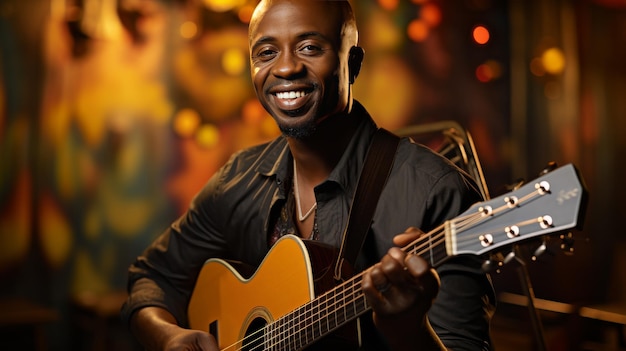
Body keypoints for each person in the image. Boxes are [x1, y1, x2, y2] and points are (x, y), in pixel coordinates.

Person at [121, 0, 496, 350]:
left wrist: (410, 331)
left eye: (310, 48)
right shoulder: (238, 178)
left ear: (354, 62)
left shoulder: (434, 192)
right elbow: (152, 276)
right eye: (266, 53)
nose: (285, 68)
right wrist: (168, 336)